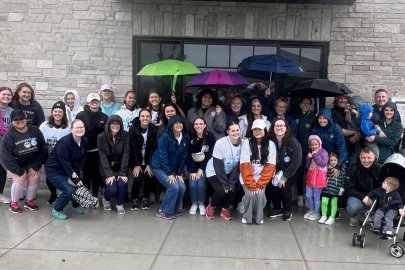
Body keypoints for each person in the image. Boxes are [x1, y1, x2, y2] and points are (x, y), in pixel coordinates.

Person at [0, 109, 47, 213]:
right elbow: (5, 156)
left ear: (26, 119)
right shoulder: (8, 136)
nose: (19, 121)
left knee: (35, 176)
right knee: (20, 179)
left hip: (30, 160)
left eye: (22, 118)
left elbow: (43, 148)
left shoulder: (35, 130)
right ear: (12, 121)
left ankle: (29, 201)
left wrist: (36, 166)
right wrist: (18, 171)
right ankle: (14, 203)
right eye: (16, 119)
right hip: (14, 162)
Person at [45, 119, 88, 220]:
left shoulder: (85, 141)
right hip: (55, 170)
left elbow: (83, 158)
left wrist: (77, 172)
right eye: (77, 127)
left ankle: (75, 205)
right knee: (69, 189)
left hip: (69, 168)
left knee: (78, 186)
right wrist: (75, 179)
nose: (80, 129)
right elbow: (64, 163)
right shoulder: (64, 143)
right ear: (71, 129)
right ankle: (57, 210)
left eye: (82, 127)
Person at [151, 115, 190, 220]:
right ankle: (164, 211)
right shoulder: (165, 137)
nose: (179, 125)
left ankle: (175, 209)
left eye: (180, 123)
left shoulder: (185, 138)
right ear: (171, 126)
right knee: (174, 187)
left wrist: (178, 173)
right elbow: (163, 157)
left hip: (173, 169)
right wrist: (169, 173)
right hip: (158, 166)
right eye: (176, 123)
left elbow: (183, 157)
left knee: (182, 187)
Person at [240, 119, 276, 224]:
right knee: (250, 194)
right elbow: (244, 166)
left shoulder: (271, 144)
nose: (257, 131)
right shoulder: (247, 142)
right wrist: (252, 185)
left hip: (261, 178)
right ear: (252, 130)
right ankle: (247, 217)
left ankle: (258, 217)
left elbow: (270, 167)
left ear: (264, 130)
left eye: (260, 129)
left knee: (260, 195)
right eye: (255, 129)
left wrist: (259, 185)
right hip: (246, 177)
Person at [205, 121, 241, 221]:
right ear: (228, 132)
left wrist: (231, 182)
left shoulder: (242, 143)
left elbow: (237, 166)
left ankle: (224, 209)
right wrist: (225, 184)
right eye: (232, 131)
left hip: (229, 171)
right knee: (222, 191)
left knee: (233, 189)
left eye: (237, 130)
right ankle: (211, 207)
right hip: (214, 171)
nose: (235, 133)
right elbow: (218, 165)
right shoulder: (221, 143)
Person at [267, 119, 302, 221]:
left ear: (286, 128)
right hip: (278, 167)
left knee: (284, 185)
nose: (279, 128)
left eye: (282, 126)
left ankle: (287, 210)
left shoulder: (293, 142)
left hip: (293, 168)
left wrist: (284, 177)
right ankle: (278, 209)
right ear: (273, 128)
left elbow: (296, 163)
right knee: (272, 184)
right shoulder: (270, 140)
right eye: (277, 126)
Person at [76, 93, 108, 197]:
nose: (94, 102)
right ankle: (86, 196)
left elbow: (106, 135)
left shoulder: (104, 117)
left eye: (96, 100)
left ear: (99, 102)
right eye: (92, 101)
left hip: (97, 151)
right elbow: (76, 131)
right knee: (85, 175)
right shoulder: (80, 115)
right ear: (88, 102)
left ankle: (94, 195)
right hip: (84, 151)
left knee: (96, 174)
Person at [39, 101, 71, 205]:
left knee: (63, 175)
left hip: (63, 157)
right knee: (50, 177)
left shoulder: (69, 126)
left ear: (64, 113)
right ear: (52, 112)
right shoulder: (45, 125)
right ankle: (53, 194)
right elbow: (40, 141)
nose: (57, 113)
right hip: (48, 156)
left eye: (60, 111)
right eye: (55, 111)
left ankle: (64, 193)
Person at [98, 115, 130, 214]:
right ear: (108, 125)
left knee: (122, 184)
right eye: (113, 123)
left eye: (118, 124)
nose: (115, 126)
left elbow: (126, 154)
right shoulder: (101, 137)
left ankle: (119, 204)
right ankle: (105, 198)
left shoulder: (125, 135)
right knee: (112, 189)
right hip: (107, 168)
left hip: (120, 167)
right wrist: (110, 175)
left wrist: (123, 173)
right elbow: (102, 157)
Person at [345, 147, 381, 227]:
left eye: (369, 158)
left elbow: (383, 187)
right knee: (353, 207)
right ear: (360, 158)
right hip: (357, 196)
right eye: (363, 158)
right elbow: (348, 187)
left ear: (374, 158)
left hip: (373, 197)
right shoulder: (353, 168)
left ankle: (369, 214)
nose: (366, 160)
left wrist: (371, 196)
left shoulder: (379, 169)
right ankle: (353, 217)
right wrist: (363, 197)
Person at [129, 109, 157, 210]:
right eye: (143, 116)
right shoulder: (133, 129)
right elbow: (133, 147)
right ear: (139, 117)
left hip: (148, 159)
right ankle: (134, 198)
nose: (145, 118)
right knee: (138, 178)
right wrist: (137, 164)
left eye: (147, 116)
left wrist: (149, 164)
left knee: (148, 177)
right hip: (136, 159)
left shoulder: (153, 129)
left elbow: (153, 147)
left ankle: (146, 198)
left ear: (150, 118)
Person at [186, 117, 215, 215]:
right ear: (193, 126)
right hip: (191, 166)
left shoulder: (210, 137)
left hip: (205, 166)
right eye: (196, 124)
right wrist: (194, 170)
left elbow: (209, 155)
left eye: (201, 124)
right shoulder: (189, 137)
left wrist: (201, 169)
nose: (199, 126)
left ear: (205, 125)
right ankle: (194, 203)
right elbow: (187, 154)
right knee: (193, 184)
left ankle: (201, 203)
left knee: (201, 184)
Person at [311, 108, 347, 178]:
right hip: (321, 159)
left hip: (334, 159)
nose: (322, 121)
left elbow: (341, 148)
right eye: (320, 118)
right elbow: (311, 144)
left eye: (325, 118)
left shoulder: (336, 128)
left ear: (329, 118)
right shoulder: (316, 128)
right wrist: (313, 158)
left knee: (333, 180)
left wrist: (338, 166)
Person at [295, 97, 317, 207]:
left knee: (309, 173)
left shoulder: (314, 117)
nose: (305, 105)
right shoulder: (296, 116)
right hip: (297, 151)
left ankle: (308, 195)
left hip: (309, 151)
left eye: (308, 103)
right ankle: (300, 195)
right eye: (303, 102)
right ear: (299, 104)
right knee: (299, 173)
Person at [304, 135, 328, 221]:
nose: (314, 146)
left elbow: (323, 163)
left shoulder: (323, 152)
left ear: (319, 143)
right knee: (308, 195)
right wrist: (308, 158)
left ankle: (316, 212)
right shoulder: (310, 152)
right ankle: (311, 210)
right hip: (311, 175)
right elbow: (307, 166)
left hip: (319, 177)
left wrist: (315, 156)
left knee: (316, 196)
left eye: (316, 144)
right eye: (312, 145)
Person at [318, 152, 346, 225]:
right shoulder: (326, 168)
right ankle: (323, 216)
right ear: (328, 161)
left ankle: (332, 217)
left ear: (338, 160)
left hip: (336, 190)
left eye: (335, 160)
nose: (333, 162)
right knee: (324, 202)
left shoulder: (341, 169)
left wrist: (342, 189)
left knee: (334, 203)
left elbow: (343, 180)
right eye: (331, 160)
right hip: (326, 189)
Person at [0, 86, 13, 204]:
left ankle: (0, 194)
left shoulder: (11, 111)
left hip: (5, 144)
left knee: (1, 171)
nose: (6, 96)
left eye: (9, 95)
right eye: (4, 94)